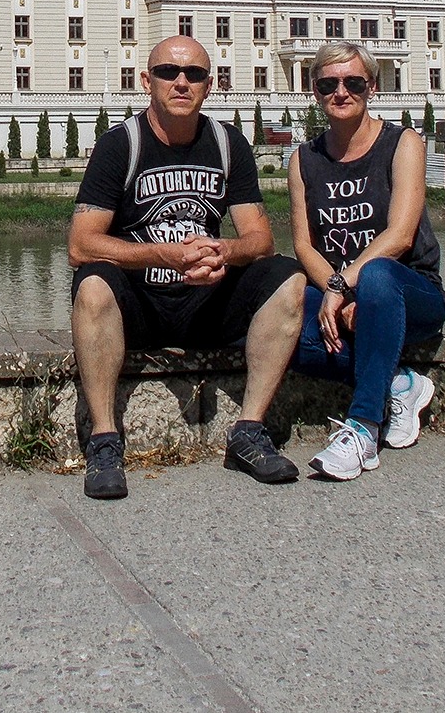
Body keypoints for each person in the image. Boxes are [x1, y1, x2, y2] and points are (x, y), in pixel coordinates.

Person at [69, 35, 305, 499]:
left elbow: (260, 239)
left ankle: (249, 431)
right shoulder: (120, 145)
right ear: (147, 81)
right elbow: (81, 244)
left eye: (194, 74)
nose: (181, 82)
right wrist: (163, 255)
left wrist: (223, 252)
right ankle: (104, 440)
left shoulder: (227, 143)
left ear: (209, 85)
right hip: (139, 305)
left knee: (287, 276)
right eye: (168, 72)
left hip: (204, 301)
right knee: (93, 283)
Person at [288, 41, 445, 480]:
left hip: (409, 294)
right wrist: (336, 294)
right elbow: (304, 246)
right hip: (341, 297)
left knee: (378, 274)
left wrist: (342, 287)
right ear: (315, 91)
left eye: (353, 82)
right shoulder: (304, 159)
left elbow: (399, 237)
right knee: (271, 314)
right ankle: (399, 383)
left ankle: (363, 427)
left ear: (372, 87)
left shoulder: (402, 143)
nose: (341, 92)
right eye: (328, 84)